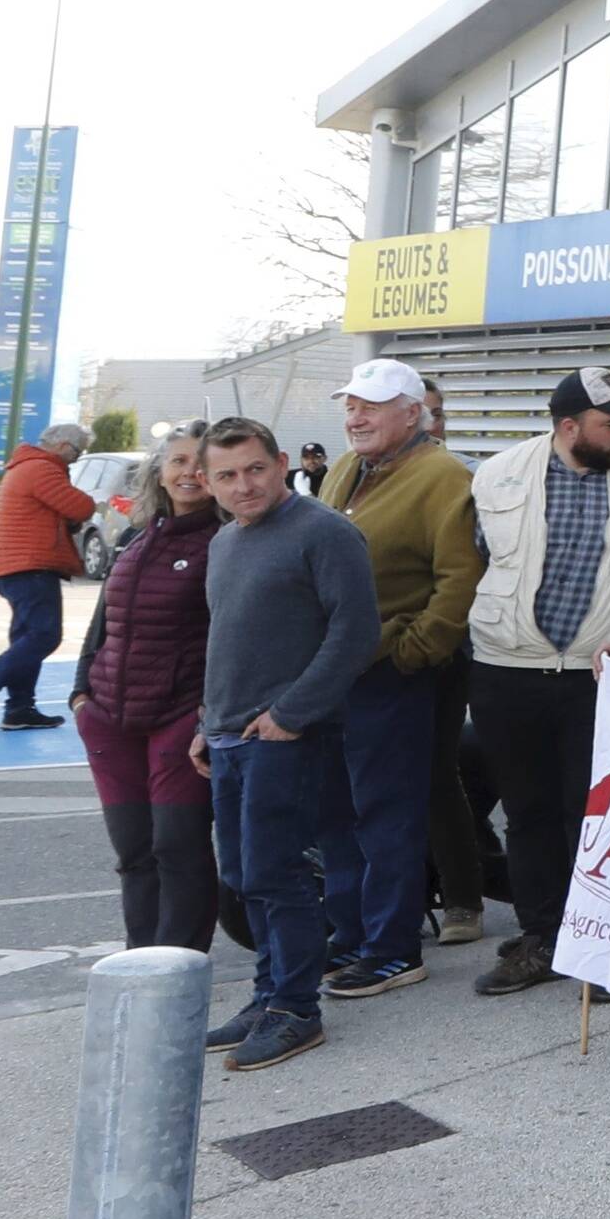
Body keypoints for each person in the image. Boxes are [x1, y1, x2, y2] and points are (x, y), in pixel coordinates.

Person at [460, 373, 610, 992]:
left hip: (603, 675)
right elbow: (478, 558)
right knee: (528, 814)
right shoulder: (497, 474)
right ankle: (544, 937)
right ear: (569, 427)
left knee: (606, 816)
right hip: (508, 669)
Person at [195, 419, 382, 1076]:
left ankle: (297, 1008)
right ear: (207, 482)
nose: (243, 485)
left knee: (279, 873)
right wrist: (206, 721)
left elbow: (357, 632)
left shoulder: (324, 531)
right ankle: (268, 995)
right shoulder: (225, 541)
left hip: (287, 737)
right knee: (246, 877)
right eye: (227, 475)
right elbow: (228, 640)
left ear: (280, 463)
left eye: (254, 469)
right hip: (228, 737)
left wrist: (291, 715)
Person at [316, 357, 484, 1000]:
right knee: (337, 813)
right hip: (333, 672)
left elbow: (459, 579)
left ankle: (390, 947)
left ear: (412, 412)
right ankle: (351, 933)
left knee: (387, 814)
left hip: (391, 671)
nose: (355, 415)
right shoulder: (344, 467)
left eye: (372, 404)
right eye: (350, 403)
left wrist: (414, 652)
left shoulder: (443, 475)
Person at [72, 429, 221, 951]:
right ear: (159, 471)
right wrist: (80, 695)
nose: (189, 472)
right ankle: (141, 963)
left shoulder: (226, 542)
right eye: (178, 460)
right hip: (110, 718)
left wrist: (206, 711)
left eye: (202, 463)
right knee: (135, 851)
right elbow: (102, 622)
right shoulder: (135, 540)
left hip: (179, 716)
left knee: (178, 846)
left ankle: (179, 966)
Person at [0, 420, 97, 730]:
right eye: (77, 451)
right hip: (30, 566)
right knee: (44, 636)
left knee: (27, 638)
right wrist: (89, 504)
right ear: (62, 446)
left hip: (13, 566)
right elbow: (80, 507)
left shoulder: (26, 466)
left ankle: (19, 708)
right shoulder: (42, 468)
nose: (77, 458)